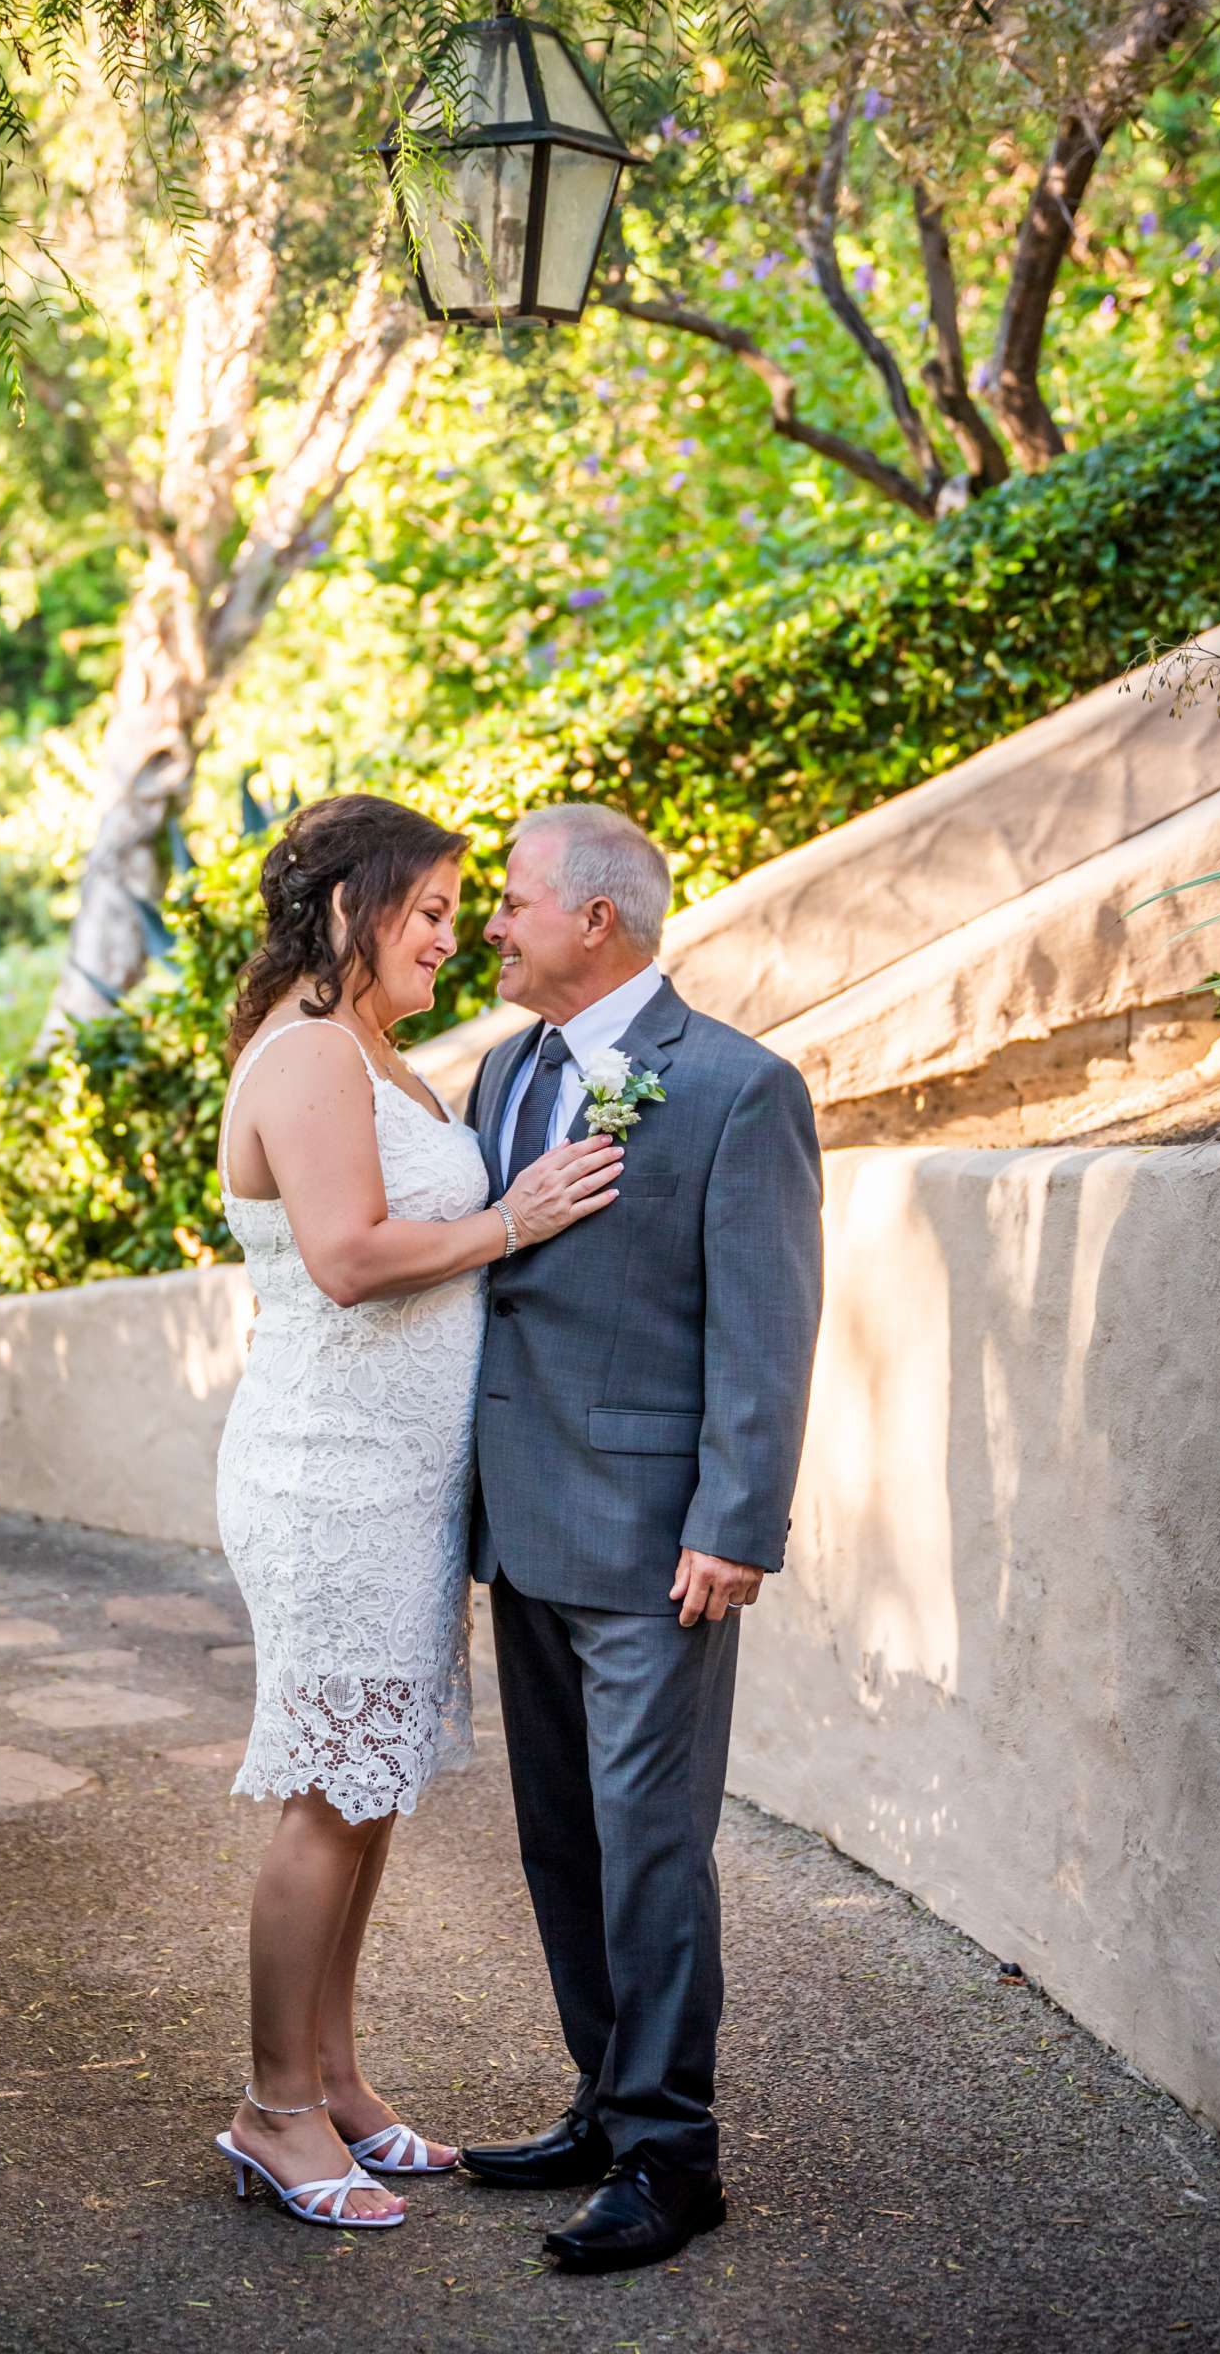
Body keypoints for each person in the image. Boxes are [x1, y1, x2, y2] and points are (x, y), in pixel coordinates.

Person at [212, 793, 623, 2231]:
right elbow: (346, 1256)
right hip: (328, 1478)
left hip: (397, 1481)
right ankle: (271, 2110)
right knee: (331, 1795)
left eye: (463, 910)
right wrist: (515, 1219)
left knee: (368, 1790)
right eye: (432, 910)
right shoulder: (316, 1051)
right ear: (347, 912)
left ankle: (331, 2074)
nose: (457, 935)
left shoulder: (370, 1051)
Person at [459, 803, 824, 2274]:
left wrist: (734, 1522)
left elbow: (766, 1321)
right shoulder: (501, 1072)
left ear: (592, 919)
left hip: (652, 1545)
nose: (488, 922)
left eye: (507, 901)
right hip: (520, 1530)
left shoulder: (736, 1089)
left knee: (649, 1850)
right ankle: (604, 2107)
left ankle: (674, 2154)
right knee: (558, 1841)